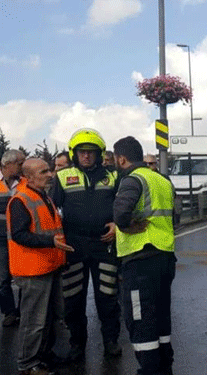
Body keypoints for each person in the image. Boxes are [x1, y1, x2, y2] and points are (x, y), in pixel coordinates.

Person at [50, 128, 122, 361]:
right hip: (74, 246)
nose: (87, 156)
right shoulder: (62, 177)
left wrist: (117, 225)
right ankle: (77, 345)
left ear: (99, 153)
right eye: (82, 152)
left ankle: (111, 341)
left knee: (108, 297)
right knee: (73, 299)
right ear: (75, 153)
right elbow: (52, 210)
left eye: (91, 152)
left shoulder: (113, 176)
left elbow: (124, 206)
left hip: (104, 245)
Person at [113, 136, 176, 375]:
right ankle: (164, 368)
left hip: (139, 260)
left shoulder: (132, 179)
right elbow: (175, 217)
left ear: (121, 158)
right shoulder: (162, 180)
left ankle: (149, 370)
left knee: (141, 322)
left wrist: (127, 224)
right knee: (161, 319)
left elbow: (120, 215)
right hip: (164, 257)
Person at [8, 158, 75, 375]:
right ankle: (28, 364)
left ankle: (44, 356)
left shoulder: (43, 196)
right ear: (28, 176)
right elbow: (19, 235)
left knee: (50, 318)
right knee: (34, 321)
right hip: (32, 270)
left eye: (49, 170)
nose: (50, 174)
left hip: (49, 266)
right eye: (43, 171)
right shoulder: (21, 200)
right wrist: (50, 242)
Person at [0, 150, 25, 327]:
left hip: (21, 237)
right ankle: (9, 312)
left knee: (24, 276)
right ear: (8, 164)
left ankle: (24, 311)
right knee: (2, 278)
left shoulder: (24, 183)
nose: (22, 166)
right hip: (1, 239)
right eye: (20, 163)